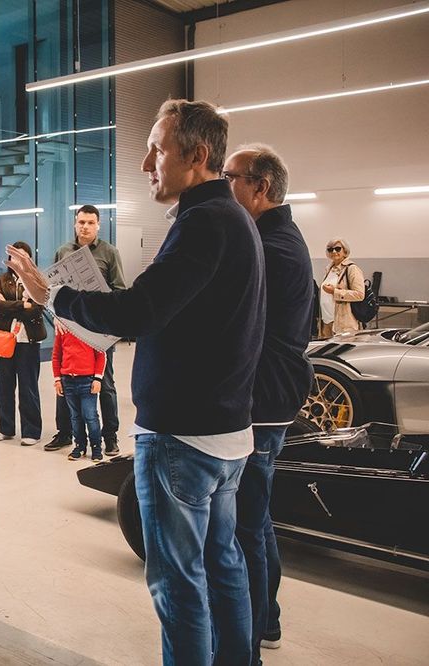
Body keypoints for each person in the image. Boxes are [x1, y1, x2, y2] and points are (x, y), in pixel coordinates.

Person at [7, 99, 265, 665]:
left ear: (196, 156)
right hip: (225, 432)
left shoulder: (204, 223)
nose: (147, 163)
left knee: (179, 584)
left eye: (156, 149)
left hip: (183, 438)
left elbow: (138, 311)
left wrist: (53, 295)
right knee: (223, 567)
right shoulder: (233, 220)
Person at [224, 144, 314, 663]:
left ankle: (250, 637)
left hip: (262, 400)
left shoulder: (271, 247)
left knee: (245, 527)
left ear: (259, 187)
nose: (223, 186)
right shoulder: (278, 237)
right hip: (273, 395)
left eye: (230, 177)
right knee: (255, 519)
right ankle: (268, 620)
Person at [45, 205, 125, 456]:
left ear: (98, 225)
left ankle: (110, 437)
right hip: (69, 328)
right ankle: (65, 433)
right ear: (75, 224)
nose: (85, 227)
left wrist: (107, 317)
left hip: (98, 329)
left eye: (91, 223)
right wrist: (56, 317)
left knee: (105, 383)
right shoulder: (63, 251)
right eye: (81, 222)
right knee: (65, 381)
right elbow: (52, 290)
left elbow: (120, 290)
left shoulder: (109, 252)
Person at [0, 241, 45, 446]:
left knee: (28, 386)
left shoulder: (37, 280)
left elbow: (38, 308)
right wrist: (23, 304)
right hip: (5, 339)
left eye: (22, 256)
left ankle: (32, 431)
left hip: (28, 339)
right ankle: (6, 428)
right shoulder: (1, 279)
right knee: (4, 385)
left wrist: (9, 305)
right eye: (14, 255)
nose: (18, 260)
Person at [52, 326, 106, 461]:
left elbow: (101, 354)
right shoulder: (62, 330)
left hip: (87, 381)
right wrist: (57, 379)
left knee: (90, 416)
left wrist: (98, 378)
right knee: (75, 416)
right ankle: (80, 445)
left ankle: (96, 446)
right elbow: (56, 356)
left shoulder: (91, 329)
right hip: (68, 381)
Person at [318, 237, 364, 339]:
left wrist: (334, 292)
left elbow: (359, 295)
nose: (334, 252)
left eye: (338, 249)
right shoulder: (329, 269)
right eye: (330, 249)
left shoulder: (352, 269)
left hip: (343, 324)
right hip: (326, 321)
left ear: (345, 251)